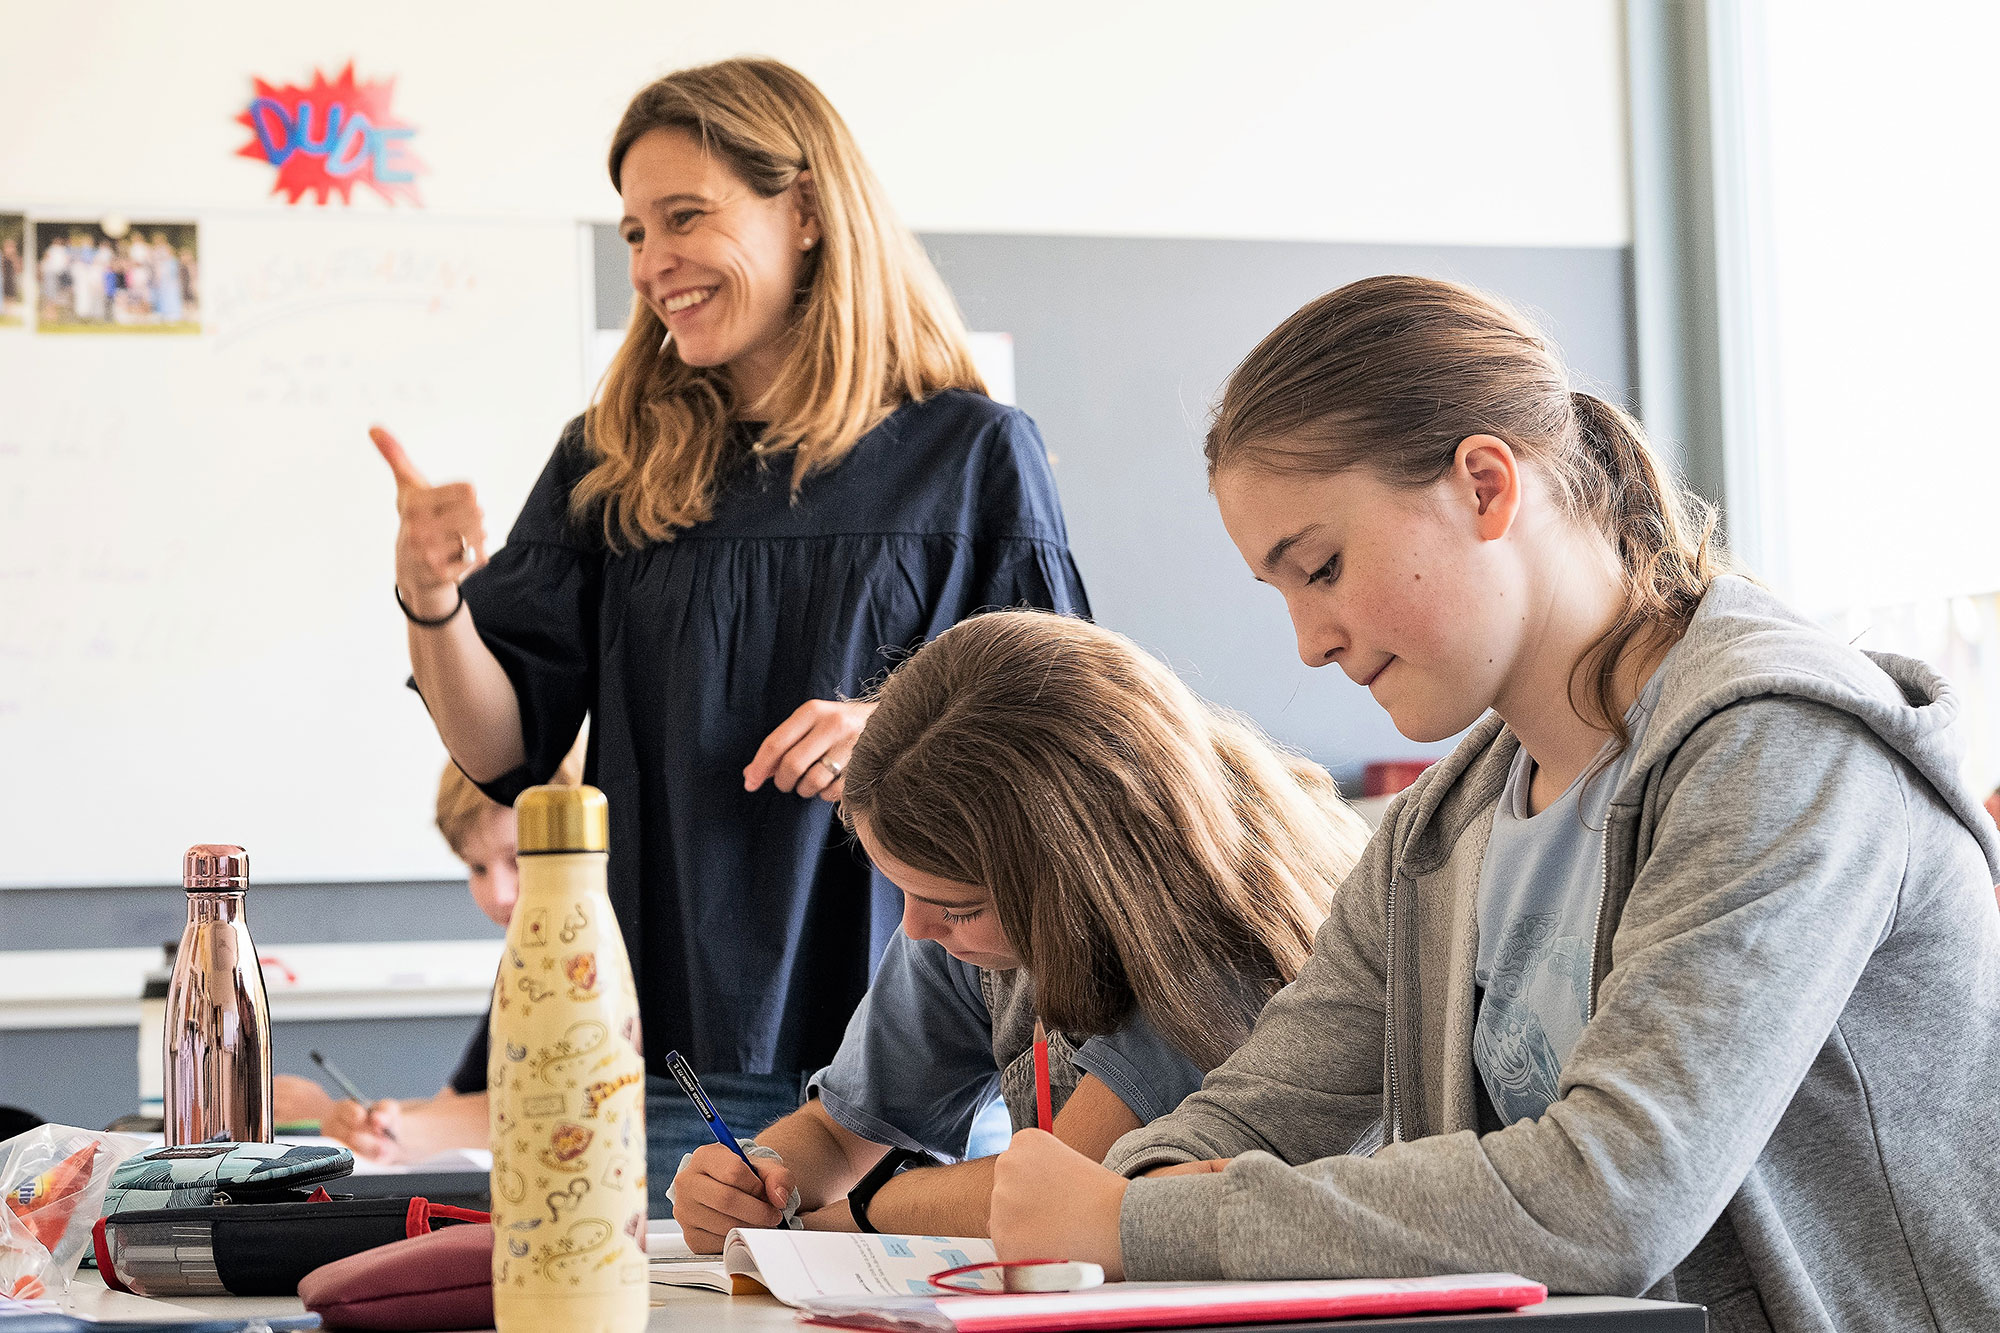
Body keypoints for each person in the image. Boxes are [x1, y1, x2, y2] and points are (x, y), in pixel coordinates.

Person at [985, 276, 2000, 1331]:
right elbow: (1254, 1109)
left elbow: (1608, 1196)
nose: (1308, 641)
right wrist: (1123, 1198)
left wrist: (1128, 1223)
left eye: (1321, 567)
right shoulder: (1445, 826)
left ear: (1482, 486)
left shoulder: (1779, 748)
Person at [372, 58, 1088, 1206]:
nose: (653, 264)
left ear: (804, 210)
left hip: (917, 1058)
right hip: (665, 1053)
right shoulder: (605, 459)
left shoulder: (972, 456)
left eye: (686, 217)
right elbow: (500, 745)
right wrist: (432, 599)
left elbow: (1068, 741)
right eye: (633, 232)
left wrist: (892, 728)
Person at [669, 610, 1369, 1250]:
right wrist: (757, 1180)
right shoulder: (963, 923)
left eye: (959, 906)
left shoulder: (1217, 932)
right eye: (904, 890)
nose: (915, 926)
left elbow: (1054, 1185)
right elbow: (839, 1129)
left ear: (1080, 873)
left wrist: (868, 1204)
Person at [272, 742, 586, 1157]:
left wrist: (374, 1127)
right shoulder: (524, 962)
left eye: (519, 859)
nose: (499, 895)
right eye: (477, 868)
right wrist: (339, 1115)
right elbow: (461, 1104)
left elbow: (547, 1114)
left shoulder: (592, 966)